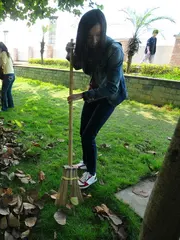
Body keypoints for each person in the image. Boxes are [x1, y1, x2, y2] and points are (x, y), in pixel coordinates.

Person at [66, 9, 128, 189]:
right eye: (89, 36)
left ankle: (91, 173)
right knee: (83, 130)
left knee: (89, 134)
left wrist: (83, 96)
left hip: (110, 97)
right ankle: (86, 161)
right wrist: (70, 53)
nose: (94, 41)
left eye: (98, 35)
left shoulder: (114, 50)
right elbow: (79, 65)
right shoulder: (86, 46)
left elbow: (111, 87)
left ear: (104, 31)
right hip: (95, 90)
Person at [0, 42, 15, 111]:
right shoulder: (7, 53)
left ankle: (4, 108)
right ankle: (11, 105)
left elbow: (3, 63)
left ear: (0, 48)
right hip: (12, 75)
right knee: (8, 91)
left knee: (3, 92)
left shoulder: (3, 53)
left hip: (8, 75)